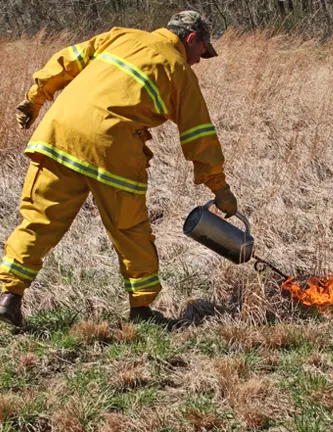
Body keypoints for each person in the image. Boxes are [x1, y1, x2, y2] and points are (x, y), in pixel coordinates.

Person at [0, 10, 238, 327]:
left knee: (39, 220)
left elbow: (66, 60)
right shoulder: (178, 69)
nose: (199, 61)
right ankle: (141, 310)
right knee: (130, 231)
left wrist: (35, 98)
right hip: (112, 148)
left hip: (58, 133)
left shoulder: (121, 35)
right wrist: (219, 189)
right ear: (191, 39)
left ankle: (9, 297)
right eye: (201, 53)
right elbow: (199, 136)